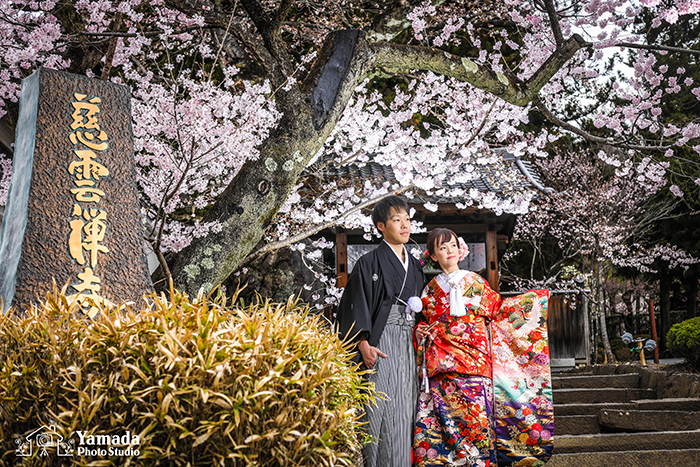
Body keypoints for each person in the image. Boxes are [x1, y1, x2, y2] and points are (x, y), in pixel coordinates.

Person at [413, 228, 553, 467]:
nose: (449, 251)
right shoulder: (430, 289)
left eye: (453, 246)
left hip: (475, 363)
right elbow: (425, 321)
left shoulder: (476, 281)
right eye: (442, 248)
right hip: (441, 364)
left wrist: (533, 303)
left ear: (461, 250)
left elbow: (498, 311)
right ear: (433, 256)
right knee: (444, 423)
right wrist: (420, 331)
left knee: (478, 422)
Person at [336, 195, 426, 467]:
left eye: (407, 219)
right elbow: (356, 303)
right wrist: (362, 342)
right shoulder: (369, 262)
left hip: (410, 340)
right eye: (396, 219)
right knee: (382, 406)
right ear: (380, 226)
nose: (404, 225)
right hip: (381, 340)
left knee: (408, 403)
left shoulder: (416, 267)